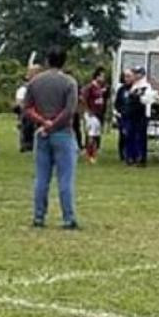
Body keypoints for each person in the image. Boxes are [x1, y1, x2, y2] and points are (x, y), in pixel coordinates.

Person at [23, 46, 80, 229]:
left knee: (41, 178)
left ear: (47, 61)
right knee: (65, 179)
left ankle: (39, 216)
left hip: (42, 133)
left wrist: (43, 123)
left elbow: (27, 108)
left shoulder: (35, 82)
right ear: (64, 61)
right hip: (63, 133)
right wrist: (54, 124)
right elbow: (69, 110)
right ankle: (68, 218)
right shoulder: (69, 82)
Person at [124, 67, 155, 167]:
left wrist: (137, 97)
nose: (136, 75)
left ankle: (141, 158)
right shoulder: (134, 85)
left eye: (137, 73)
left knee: (140, 137)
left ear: (142, 74)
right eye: (135, 73)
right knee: (131, 136)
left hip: (141, 115)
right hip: (132, 114)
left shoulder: (146, 86)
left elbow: (147, 100)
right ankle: (131, 157)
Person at [82, 67, 108, 164]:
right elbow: (83, 98)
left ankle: (93, 153)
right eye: (101, 76)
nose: (103, 79)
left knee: (96, 134)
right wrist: (87, 110)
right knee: (91, 135)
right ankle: (89, 155)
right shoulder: (90, 87)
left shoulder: (100, 87)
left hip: (98, 113)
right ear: (96, 76)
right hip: (91, 114)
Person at [113, 70, 132, 162]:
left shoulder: (134, 88)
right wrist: (118, 112)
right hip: (122, 116)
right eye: (126, 77)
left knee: (131, 135)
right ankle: (122, 154)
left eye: (129, 76)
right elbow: (117, 102)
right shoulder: (121, 89)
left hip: (132, 116)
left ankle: (130, 154)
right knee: (123, 135)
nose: (127, 79)